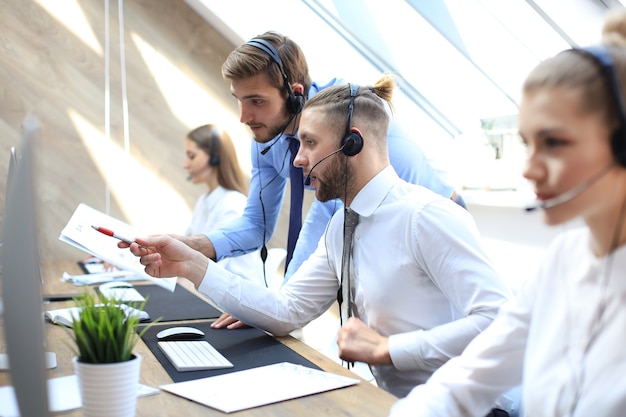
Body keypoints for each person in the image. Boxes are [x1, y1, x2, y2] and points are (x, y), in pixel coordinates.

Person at [127, 76, 512, 414]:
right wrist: (191, 264)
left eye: (309, 143)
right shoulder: (341, 225)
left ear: (352, 143)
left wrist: (387, 349)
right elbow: (287, 310)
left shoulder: (426, 216)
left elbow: (499, 323)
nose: (297, 159)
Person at [388, 11, 626, 417]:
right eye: (527, 143)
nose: (529, 169)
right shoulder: (562, 263)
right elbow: (470, 377)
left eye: (553, 142)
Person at [172, 31, 465, 283]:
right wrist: (195, 244)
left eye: (257, 102)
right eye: (239, 100)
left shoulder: (344, 119)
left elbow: (326, 214)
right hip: (379, 231)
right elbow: (256, 224)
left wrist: (279, 302)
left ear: (294, 93)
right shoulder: (265, 137)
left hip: (438, 220)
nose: (244, 117)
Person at [182, 124, 269, 283]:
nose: (185, 164)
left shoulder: (233, 204)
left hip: (232, 299)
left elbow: (213, 268)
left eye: (192, 156)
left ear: (215, 157)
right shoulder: (204, 201)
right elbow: (185, 245)